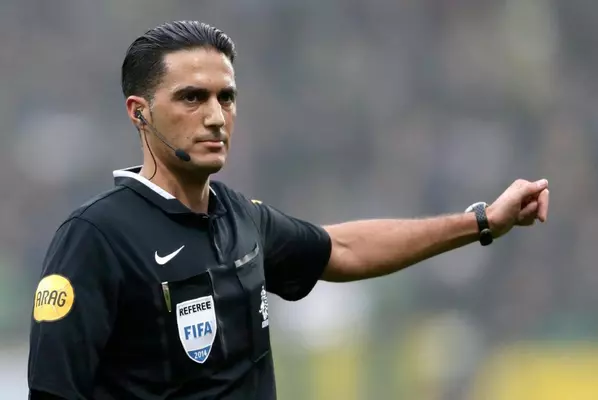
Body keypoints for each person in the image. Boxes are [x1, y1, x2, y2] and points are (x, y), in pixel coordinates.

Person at [27, 20, 550, 400]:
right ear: (139, 113)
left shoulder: (241, 219)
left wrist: (482, 222)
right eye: (192, 98)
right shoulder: (96, 236)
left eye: (226, 97)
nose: (216, 116)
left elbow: (341, 248)